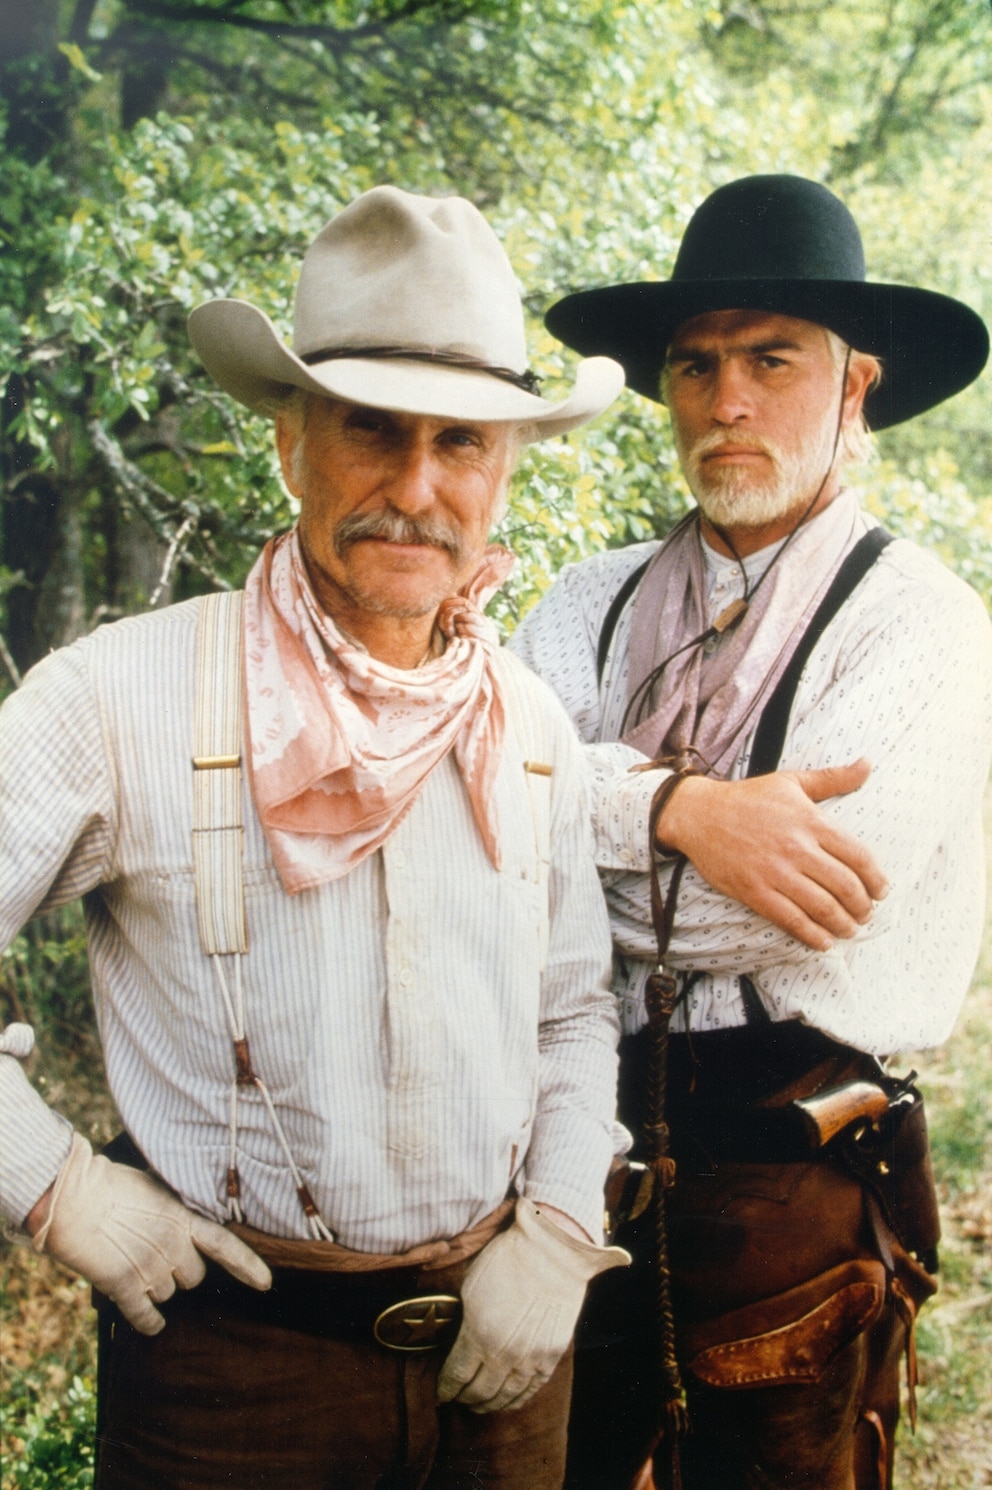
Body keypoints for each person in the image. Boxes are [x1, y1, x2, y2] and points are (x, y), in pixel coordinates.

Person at [0, 186, 632, 1490]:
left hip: (499, 1367)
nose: (415, 487)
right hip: (232, 1379)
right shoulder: (117, 698)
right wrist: (59, 1188)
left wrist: (561, 1234)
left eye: (461, 440)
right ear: (289, 441)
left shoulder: (526, 724)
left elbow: (573, 1013)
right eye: (370, 430)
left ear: (506, 467)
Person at [509, 174, 992, 1490]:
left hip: (797, 1157)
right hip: (566, 1131)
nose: (726, 400)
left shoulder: (925, 625)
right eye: (696, 362)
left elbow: (794, 905)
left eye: (772, 359)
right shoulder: (584, 602)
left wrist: (577, 815)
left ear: (855, 385)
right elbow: (479, 813)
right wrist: (679, 809)